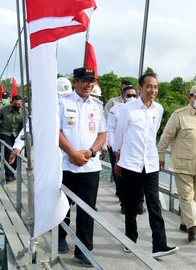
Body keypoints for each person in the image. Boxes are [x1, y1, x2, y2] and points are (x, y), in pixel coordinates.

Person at [112, 73, 178, 258]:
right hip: (131, 163)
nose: (153, 90)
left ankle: (159, 245)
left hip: (150, 163)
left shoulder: (159, 109)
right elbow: (119, 134)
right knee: (131, 204)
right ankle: (129, 239)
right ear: (140, 88)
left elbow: (153, 135)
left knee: (154, 204)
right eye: (149, 86)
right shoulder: (127, 109)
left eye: (155, 87)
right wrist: (118, 158)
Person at [157, 84, 196, 242]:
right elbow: (166, 137)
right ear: (190, 97)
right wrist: (161, 155)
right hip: (182, 164)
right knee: (186, 197)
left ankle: (185, 223)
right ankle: (193, 227)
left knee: (195, 198)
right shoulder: (179, 115)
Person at [58, 67, 107, 267]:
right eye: (84, 80)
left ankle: (83, 250)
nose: (88, 84)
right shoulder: (63, 102)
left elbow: (102, 134)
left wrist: (92, 152)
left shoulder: (97, 106)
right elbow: (56, 130)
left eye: (91, 81)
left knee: (88, 210)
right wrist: (72, 153)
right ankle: (60, 236)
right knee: (62, 205)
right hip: (66, 165)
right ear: (75, 81)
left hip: (90, 167)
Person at [106, 85, 144, 215]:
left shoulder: (141, 109)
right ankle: (124, 203)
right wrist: (112, 144)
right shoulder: (115, 110)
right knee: (120, 176)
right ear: (123, 96)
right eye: (129, 95)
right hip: (118, 148)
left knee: (139, 176)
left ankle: (139, 203)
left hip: (134, 149)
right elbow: (110, 128)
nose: (132, 98)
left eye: (135, 95)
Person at [0, 95, 27, 182]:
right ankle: (8, 174)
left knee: (16, 152)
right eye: (15, 104)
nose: (17, 106)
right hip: (5, 132)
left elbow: (26, 125)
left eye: (19, 104)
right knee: (8, 151)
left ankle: (13, 172)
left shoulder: (24, 111)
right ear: (11, 103)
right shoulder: (3, 110)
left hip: (17, 134)